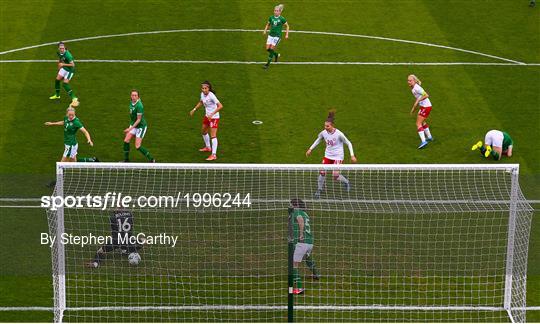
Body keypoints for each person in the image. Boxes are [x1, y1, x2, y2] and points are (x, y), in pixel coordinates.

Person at [306, 110, 357, 199]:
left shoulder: (339, 134)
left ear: (332, 125)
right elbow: (318, 139)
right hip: (328, 155)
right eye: (325, 125)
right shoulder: (324, 132)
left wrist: (352, 155)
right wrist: (310, 149)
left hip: (338, 156)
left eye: (327, 126)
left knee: (335, 176)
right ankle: (319, 189)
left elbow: (348, 143)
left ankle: (346, 182)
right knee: (322, 172)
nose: (325, 127)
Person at [288, 198, 320, 295]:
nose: (290, 206)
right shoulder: (305, 213)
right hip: (310, 241)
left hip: (302, 242)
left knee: (294, 265)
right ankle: (316, 274)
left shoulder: (297, 212)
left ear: (296, 205)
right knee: (307, 258)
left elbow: (300, 221)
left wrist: (301, 234)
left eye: (291, 205)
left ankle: (299, 288)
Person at [190, 81, 223, 161]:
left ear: (209, 88)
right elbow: (201, 102)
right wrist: (194, 109)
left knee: (213, 135)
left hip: (214, 117)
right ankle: (208, 147)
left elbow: (220, 106)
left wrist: (212, 114)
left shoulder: (212, 96)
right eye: (203, 88)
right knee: (203, 132)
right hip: (207, 116)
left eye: (206, 88)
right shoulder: (202, 94)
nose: (204, 90)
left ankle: (214, 155)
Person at [123, 90, 155, 162]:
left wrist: (129, 129)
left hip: (141, 126)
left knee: (137, 146)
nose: (134, 97)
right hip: (133, 124)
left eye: (135, 95)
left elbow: (138, 120)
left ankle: (151, 159)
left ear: (138, 97)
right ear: (130, 96)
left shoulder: (139, 106)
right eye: (132, 95)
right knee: (126, 140)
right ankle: (126, 160)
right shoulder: (132, 103)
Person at [408, 75, 434, 149]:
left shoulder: (417, 88)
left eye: (410, 80)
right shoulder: (413, 88)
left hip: (426, 107)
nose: (408, 82)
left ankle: (423, 141)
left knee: (418, 123)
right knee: (422, 122)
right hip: (424, 106)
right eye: (408, 80)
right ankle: (429, 137)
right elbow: (418, 98)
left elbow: (426, 95)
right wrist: (414, 108)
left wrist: (418, 101)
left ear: (414, 81)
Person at [262, 4, 289, 69]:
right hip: (270, 35)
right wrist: (265, 30)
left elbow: (287, 26)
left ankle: (267, 64)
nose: (275, 12)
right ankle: (276, 55)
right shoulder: (271, 17)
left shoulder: (282, 19)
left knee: (271, 49)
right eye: (275, 10)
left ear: (280, 12)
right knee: (267, 49)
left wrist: (286, 34)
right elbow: (267, 24)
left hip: (277, 36)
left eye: (277, 11)